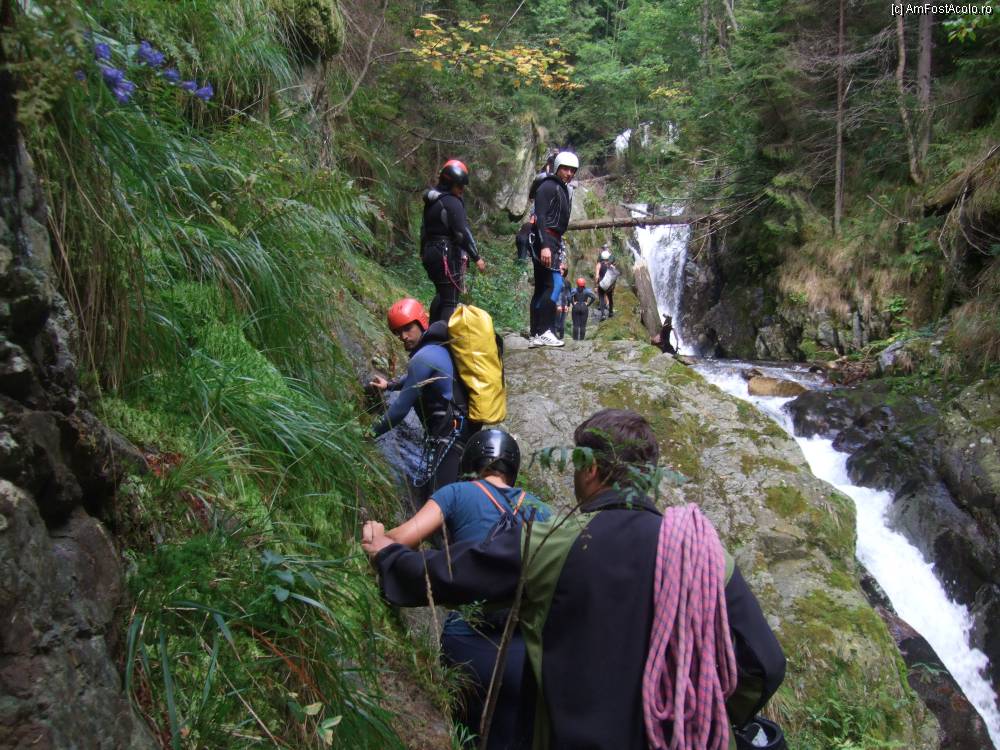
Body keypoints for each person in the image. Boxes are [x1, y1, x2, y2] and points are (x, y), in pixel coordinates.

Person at [363, 409, 786, 750]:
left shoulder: (556, 543)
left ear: (591, 469)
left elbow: (450, 575)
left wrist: (388, 555)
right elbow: (765, 664)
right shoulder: (706, 556)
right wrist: (700, 711)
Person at [370, 429, 550, 749]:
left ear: (470, 463)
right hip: (526, 652)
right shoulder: (544, 511)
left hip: (468, 641)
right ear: (513, 468)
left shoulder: (457, 492)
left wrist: (378, 532)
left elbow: (403, 540)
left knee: (462, 736)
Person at [369, 298, 472, 501]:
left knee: (440, 502)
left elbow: (399, 411)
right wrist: (389, 385)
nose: (403, 336)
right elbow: (416, 379)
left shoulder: (423, 357)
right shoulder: (438, 348)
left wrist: (368, 433)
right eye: (398, 332)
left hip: (452, 437)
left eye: (408, 328)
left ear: (421, 322)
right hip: (461, 432)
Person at [422, 159, 486, 325]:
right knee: (450, 301)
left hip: (430, 252)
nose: (462, 190)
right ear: (450, 183)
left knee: (442, 295)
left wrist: (422, 252)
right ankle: (443, 337)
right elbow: (462, 232)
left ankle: (432, 333)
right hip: (445, 254)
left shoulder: (432, 201)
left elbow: (424, 230)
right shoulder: (452, 202)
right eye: (459, 186)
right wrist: (476, 257)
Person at [528, 151, 578, 348]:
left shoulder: (560, 188)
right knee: (554, 284)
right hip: (546, 239)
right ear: (557, 168)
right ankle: (544, 331)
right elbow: (540, 216)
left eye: (572, 170)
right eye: (565, 169)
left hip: (551, 240)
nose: (569, 173)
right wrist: (545, 246)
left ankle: (535, 333)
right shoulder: (549, 186)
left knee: (542, 287)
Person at [595, 246, 617, 321]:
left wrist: (596, 285)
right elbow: (614, 277)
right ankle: (610, 312)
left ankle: (603, 315)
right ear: (608, 257)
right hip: (609, 285)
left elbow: (597, 276)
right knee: (610, 298)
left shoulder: (599, 265)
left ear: (601, 257)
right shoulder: (612, 266)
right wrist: (613, 286)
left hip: (601, 284)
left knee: (601, 298)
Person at [554, 267, 571, 340]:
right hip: (559, 304)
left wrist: (568, 305)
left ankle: (558, 337)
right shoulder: (567, 282)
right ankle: (560, 337)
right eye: (560, 269)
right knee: (560, 322)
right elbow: (569, 295)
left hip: (560, 304)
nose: (561, 270)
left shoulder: (555, 280)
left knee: (559, 322)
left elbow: (569, 295)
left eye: (563, 269)